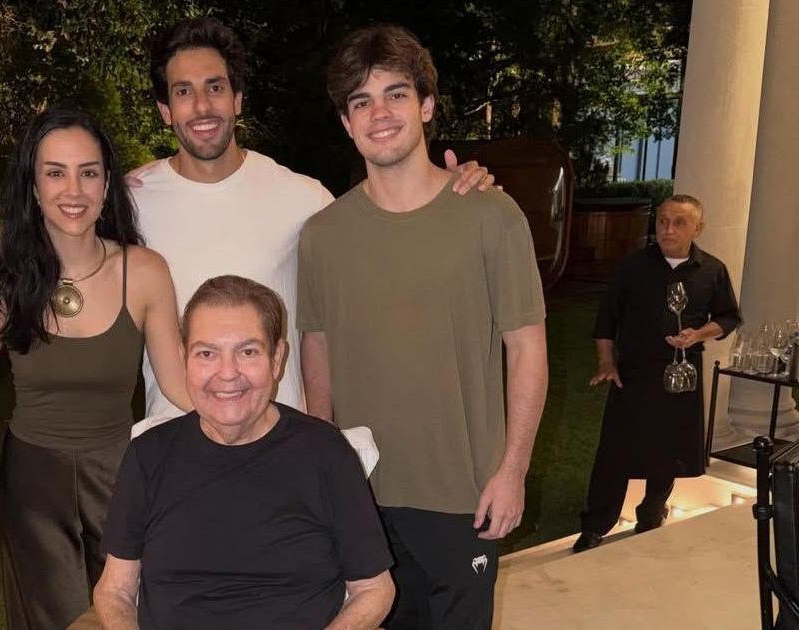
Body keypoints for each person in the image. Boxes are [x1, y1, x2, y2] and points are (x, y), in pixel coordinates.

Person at [297, 25, 549, 629]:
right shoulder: (324, 235)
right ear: (346, 123)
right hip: (362, 494)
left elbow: (527, 350)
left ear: (427, 105)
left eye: (396, 94)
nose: (379, 114)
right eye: (361, 101)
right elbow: (317, 347)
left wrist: (513, 471)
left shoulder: (491, 216)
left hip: (464, 495)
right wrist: (323, 472)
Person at [131, 16, 494, 422]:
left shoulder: (304, 200)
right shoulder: (132, 205)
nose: (202, 106)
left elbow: (391, 256)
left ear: (238, 99)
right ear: (165, 110)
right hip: (175, 442)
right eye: (183, 91)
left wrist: (450, 191)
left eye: (215, 87)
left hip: (280, 444)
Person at [0, 109, 190, 629]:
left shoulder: (144, 271)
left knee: (125, 612)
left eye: (88, 172)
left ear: (107, 184)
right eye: (55, 172)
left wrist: (260, 424)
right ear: (33, 186)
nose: (73, 190)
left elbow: (180, 386)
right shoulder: (2, 282)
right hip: (32, 484)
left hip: (118, 475)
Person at [94, 275, 395, 630]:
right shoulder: (149, 455)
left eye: (248, 352)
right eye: (207, 354)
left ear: (277, 358)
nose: (227, 374)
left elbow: (374, 589)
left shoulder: (326, 453)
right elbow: (115, 590)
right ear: (184, 359)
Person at [572, 194, 741, 553]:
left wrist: (699, 334)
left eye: (679, 222)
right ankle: (595, 526)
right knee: (614, 452)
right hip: (634, 373)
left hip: (683, 373)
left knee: (668, 449)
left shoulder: (712, 270)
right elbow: (607, 320)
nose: (667, 229)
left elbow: (728, 317)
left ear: (698, 228)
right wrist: (606, 363)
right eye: (662, 220)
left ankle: (651, 514)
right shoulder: (632, 267)